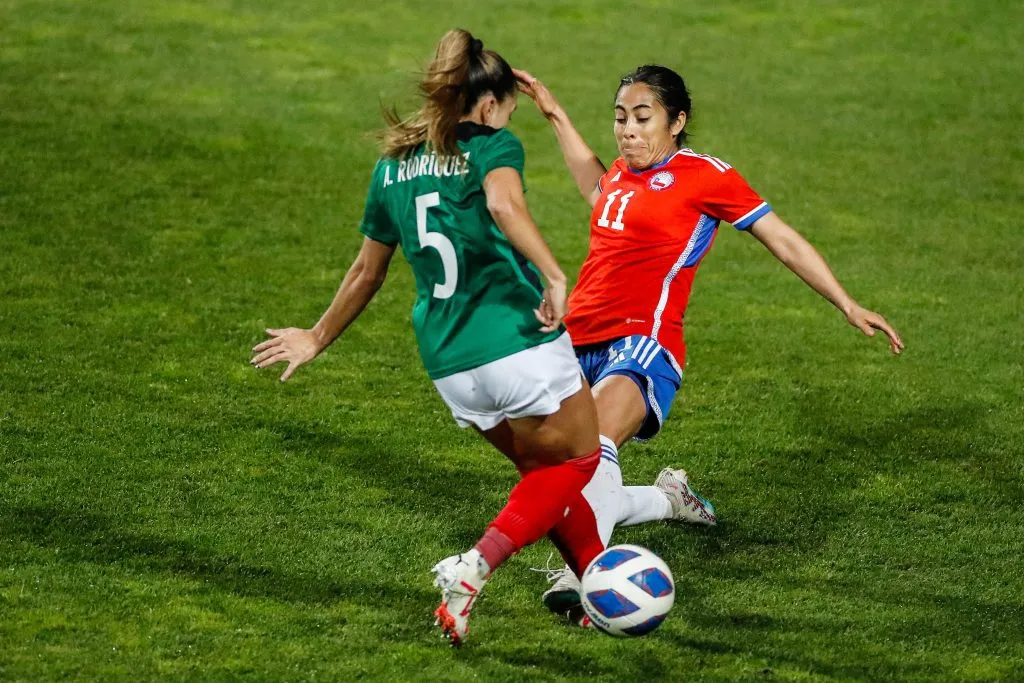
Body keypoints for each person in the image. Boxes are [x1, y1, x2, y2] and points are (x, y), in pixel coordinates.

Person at [249, 30, 627, 646]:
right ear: (486, 106)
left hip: (449, 361)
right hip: (516, 336)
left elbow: (367, 270)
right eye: (506, 108)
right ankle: (474, 565)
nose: (508, 119)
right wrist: (556, 275)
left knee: (542, 473)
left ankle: (595, 587)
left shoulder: (391, 166)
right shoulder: (492, 146)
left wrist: (317, 337)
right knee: (582, 459)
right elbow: (505, 207)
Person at [514, 64, 905, 617]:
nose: (628, 130)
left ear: (678, 120)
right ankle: (667, 499)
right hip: (577, 343)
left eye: (643, 118)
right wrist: (553, 112)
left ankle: (582, 571)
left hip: (644, 343)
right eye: (620, 118)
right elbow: (593, 183)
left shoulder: (704, 176)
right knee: (557, 470)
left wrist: (846, 301)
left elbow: (781, 238)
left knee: (592, 446)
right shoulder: (619, 181)